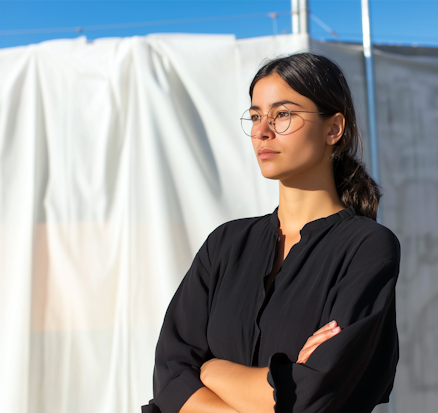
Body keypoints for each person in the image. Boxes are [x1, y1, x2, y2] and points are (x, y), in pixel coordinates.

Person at [141, 53, 401, 413]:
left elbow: (314, 394)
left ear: (333, 128)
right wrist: (277, 382)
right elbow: (170, 376)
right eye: (255, 116)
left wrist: (211, 370)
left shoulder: (367, 248)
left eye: (283, 114)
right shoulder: (225, 245)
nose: (262, 130)